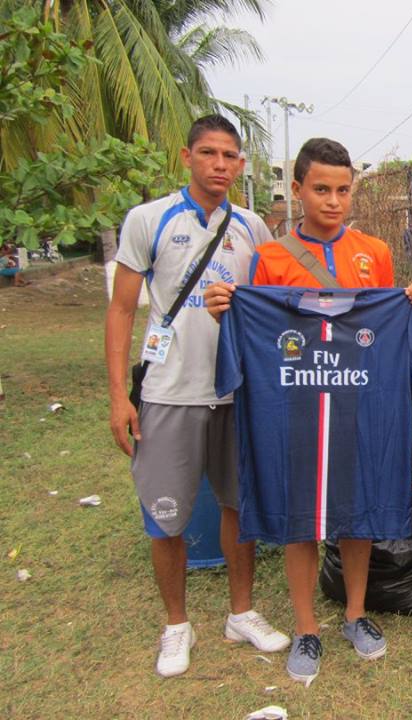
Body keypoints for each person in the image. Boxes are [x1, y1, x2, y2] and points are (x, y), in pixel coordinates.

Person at [205, 137, 412, 685]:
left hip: (357, 398)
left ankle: (356, 615)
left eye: (343, 190)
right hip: (296, 404)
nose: (333, 200)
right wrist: (226, 314)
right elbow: (261, 333)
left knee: (356, 510)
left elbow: (379, 327)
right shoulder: (271, 257)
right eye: (321, 189)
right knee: (301, 515)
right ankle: (306, 627)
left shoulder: (374, 252)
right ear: (299, 190)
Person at [105, 115, 288, 678]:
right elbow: (119, 309)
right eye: (208, 153)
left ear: (241, 164)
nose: (220, 165)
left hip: (237, 393)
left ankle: (242, 612)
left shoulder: (253, 226)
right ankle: (176, 626)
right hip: (169, 392)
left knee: (239, 507)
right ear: (186, 157)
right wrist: (119, 395)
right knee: (168, 516)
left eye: (230, 156)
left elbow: (274, 302)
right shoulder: (148, 220)